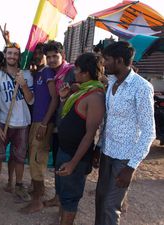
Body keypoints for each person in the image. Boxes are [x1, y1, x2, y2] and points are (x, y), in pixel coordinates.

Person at [95, 41, 156, 225]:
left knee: (111, 207)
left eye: (106, 59)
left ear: (119, 61)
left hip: (124, 159)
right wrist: (99, 147)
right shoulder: (112, 82)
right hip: (107, 152)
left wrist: (131, 167)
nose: (103, 63)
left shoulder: (142, 87)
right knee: (100, 201)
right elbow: (109, 120)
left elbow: (149, 132)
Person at [55, 53, 105, 225]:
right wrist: (63, 98)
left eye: (77, 69)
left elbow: (89, 134)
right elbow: (70, 117)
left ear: (86, 73)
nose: (74, 72)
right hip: (65, 150)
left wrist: (73, 163)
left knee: (70, 198)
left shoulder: (95, 97)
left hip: (75, 156)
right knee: (62, 193)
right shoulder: (81, 91)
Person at [0, 42, 34, 202]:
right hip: (3, 122)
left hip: (22, 123)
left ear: (19, 56)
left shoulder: (27, 75)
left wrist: (23, 85)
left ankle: (19, 185)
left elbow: (30, 100)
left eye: (15, 54)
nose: (12, 56)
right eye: (9, 53)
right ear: (5, 55)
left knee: (20, 158)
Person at [19, 43, 58, 213]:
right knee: (34, 157)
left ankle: (36, 201)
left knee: (36, 159)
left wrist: (44, 123)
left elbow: (54, 99)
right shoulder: (37, 73)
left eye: (41, 54)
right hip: (36, 121)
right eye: (35, 54)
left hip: (43, 123)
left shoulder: (48, 72)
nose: (37, 56)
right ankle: (38, 191)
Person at [42, 41, 75, 208]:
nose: (52, 60)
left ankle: (65, 204)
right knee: (57, 161)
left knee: (66, 164)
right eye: (48, 57)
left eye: (55, 56)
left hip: (70, 127)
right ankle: (58, 197)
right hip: (58, 126)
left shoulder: (71, 71)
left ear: (63, 56)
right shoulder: (52, 74)